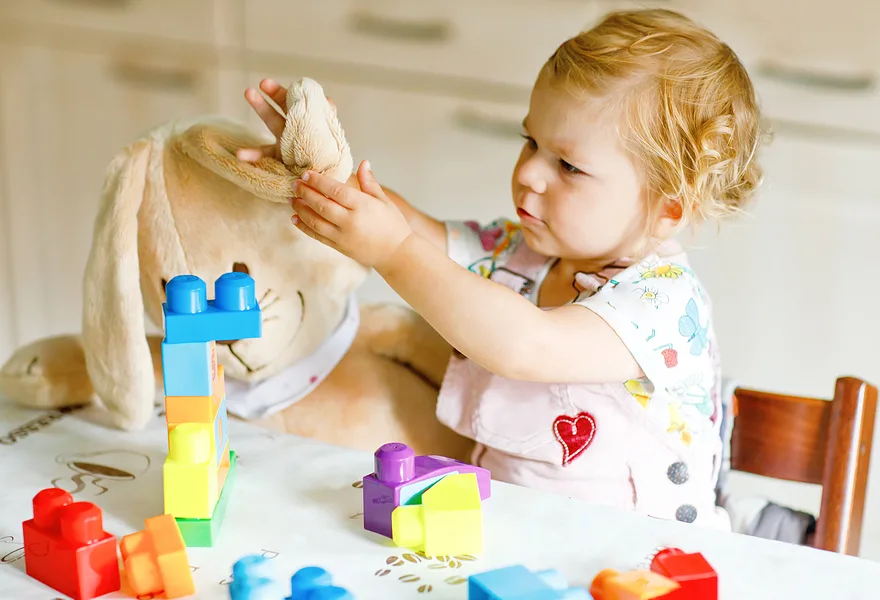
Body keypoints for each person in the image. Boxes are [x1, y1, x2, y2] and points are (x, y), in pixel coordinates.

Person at [238, 8, 762, 530]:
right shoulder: (522, 252)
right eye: (530, 141)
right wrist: (324, 171)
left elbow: (524, 345)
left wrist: (393, 253)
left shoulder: (665, 303)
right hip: (518, 535)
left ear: (667, 208)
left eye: (569, 166)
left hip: (638, 559)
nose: (529, 172)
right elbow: (421, 234)